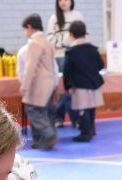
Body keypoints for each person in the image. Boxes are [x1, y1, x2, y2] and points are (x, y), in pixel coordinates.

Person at [20, 13, 59, 150]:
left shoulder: (34, 42)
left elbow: (30, 67)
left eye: (25, 29)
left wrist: (25, 86)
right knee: (44, 112)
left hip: (39, 83)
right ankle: (40, 141)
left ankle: (49, 135)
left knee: (33, 110)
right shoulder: (47, 41)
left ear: (29, 27)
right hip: (49, 82)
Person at [63, 20, 104, 142]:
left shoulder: (71, 52)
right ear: (85, 33)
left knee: (82, 109)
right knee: (91, 108)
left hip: (80, 85)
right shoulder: (92, 49)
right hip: (94, 83)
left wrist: (67, 85)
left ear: (71, 34)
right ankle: (90, 130)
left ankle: (85, 134)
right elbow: (101, 65)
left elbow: (67, 70)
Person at [46, 0, 83, 128]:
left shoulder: (77, 15)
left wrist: (64, 41)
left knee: (70, 89)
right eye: (60, 0)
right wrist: (66, 41)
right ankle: (73, 119)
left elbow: (82, 36)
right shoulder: (54, 18)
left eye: (66, 0)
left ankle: (60, 117)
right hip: (59, 57)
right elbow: (50, 39)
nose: (63, 2)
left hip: (75, 56)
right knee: (63, 89)